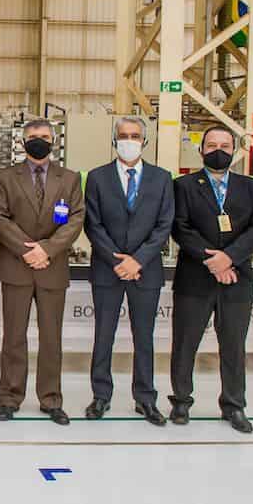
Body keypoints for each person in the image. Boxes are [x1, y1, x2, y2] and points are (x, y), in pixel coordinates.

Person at [169, 125, 253, 434]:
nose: (218, 150)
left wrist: (230, 257)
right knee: (185, 344)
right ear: (201, 150)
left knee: (234, 346)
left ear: (235, 150)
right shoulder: (183, 185)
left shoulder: (251, 187)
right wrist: (212, 260)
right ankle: (181, 401)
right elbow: (180, 227)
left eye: (225, 145)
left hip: (237, 278)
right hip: (194, 278)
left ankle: (234, 404)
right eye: (211, 145)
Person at [0, 119, 84, 426]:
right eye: (33, 137)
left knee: (51, 338)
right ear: (22, 140)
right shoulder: (6, 176)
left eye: (44, 137)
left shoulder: (70, 179)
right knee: (14, 337)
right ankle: (9, 398)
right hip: (16, 266)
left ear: (54, 141)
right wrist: (28, 250)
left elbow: (75, 220)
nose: (38, 141)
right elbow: (1, 219)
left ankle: (51, 399)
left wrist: (47, 250)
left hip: (52, 267)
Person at [83, 117, 174, 426]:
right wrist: (117, 261)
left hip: (145, 271)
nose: (129, 140)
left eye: (135, 135)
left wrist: (138, 260)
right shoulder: (97, 178)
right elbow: (92, 224)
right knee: (103, 335)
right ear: (114, 140)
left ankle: (146, 398)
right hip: (108, 271)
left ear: (144, 141)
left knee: (144, 337)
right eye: (123, 135)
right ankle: (101, 395)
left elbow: (164, 225)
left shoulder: (162, 179)